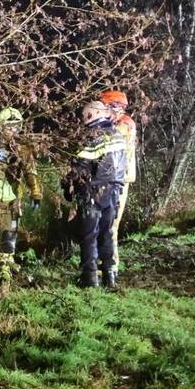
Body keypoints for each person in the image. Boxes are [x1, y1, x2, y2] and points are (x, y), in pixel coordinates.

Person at [0, 107, 42, 282]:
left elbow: (30, 171)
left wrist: (35, 192)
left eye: (16, 127)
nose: (13, 130)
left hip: (12, 200)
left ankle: (4, 271)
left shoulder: (23, 149)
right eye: (9, 126)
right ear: (0, 126)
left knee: (8, 239)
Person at [65, 100, 127, 288]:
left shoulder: (92, 136)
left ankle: (90, 278)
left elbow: (80, 169)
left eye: (84, 116)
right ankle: (110, 276)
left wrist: (67, 187)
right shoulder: (117, 134)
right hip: (114, 192)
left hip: (93, 192)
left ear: (91, 115)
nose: (82, 120)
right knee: (106, 234)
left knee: (89, 235)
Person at [100, 90, 137, 273]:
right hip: (112, 178)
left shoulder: (124, 125)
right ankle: (105, 263)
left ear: (115, 106)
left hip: (119, 180)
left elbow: (110, 142)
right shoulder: (117, 123)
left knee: (111, 224)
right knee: (105, 223)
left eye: (105, 106)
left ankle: (111, 266)